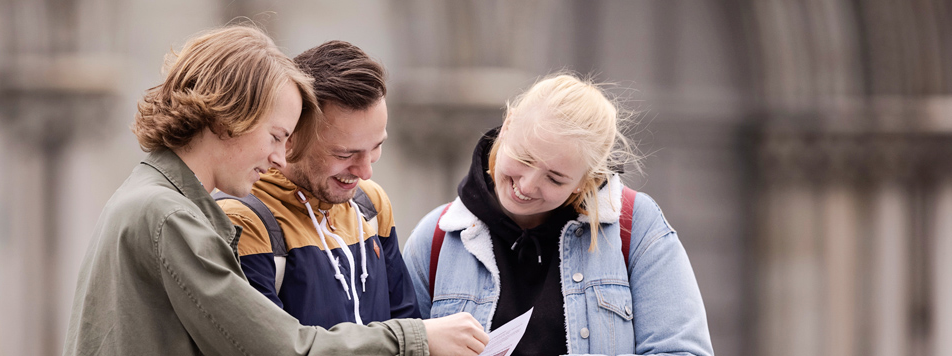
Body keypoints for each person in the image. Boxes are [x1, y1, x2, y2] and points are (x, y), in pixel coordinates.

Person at [62, 25, 487, 356]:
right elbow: (280, 348)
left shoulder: (150, 198)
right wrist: (413, 339)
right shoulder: (168, 216)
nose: (280, 159)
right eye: (277, 136)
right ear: (229, 119)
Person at [402, 74, 714, 356]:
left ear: (583, 181)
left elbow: (682, 350)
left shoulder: (634, 225)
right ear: (508, 124)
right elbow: (396, 344)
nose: (527, 185)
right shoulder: (437, 238)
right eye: (523, 157)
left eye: (555, 179)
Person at [215, 40, 421, 329]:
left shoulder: (370, 205)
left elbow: (408, 324)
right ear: (290, 137)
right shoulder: (242, 221)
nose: (365, 172)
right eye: (344, 154)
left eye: (376, 147)